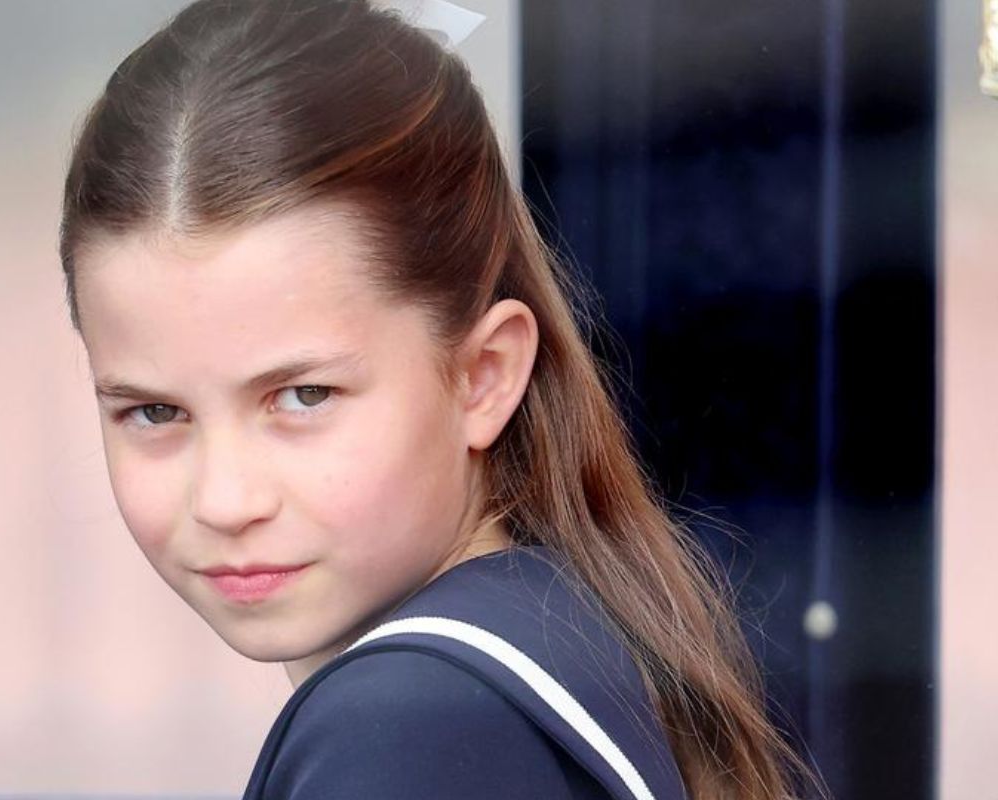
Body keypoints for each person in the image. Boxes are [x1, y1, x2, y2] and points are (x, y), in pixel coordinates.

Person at [57, 1, 819, 797]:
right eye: (154, 413)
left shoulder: (405, 728)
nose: (223, 500)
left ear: (484, 375)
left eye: (304, 395)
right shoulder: (568, 630)